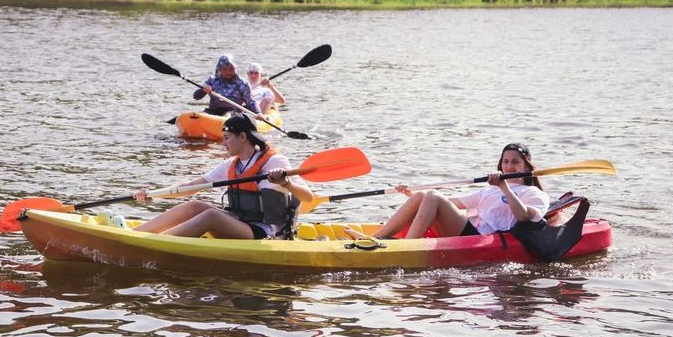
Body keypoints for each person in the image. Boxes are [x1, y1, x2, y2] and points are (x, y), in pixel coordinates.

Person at [133, 113, 313, 239]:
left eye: (227, 137)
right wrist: (153, 194)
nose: (223, 142)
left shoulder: (274, 161)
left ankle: (157, 242)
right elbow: (190, 187)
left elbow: (308, 197)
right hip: (240, 223)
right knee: (194, 206)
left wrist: (286, 183)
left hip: (266, 231)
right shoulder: (231, 165)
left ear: (242, 137)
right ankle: (137, 234)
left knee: (211, 215)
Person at [345, 143, 549, 240]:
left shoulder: (534, 194)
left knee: (433, 196)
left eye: (515, 162)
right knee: (425, 195)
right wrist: (411, 195)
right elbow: (452, 203)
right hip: (469, 230)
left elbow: (523, 216)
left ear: (526, 167)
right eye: (505, 162)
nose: (509, 166)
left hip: (484, 238)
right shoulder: (488, 191)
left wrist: (503, 186)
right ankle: (378, 238)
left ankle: (407, 246)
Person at [193, 55, 262, 117]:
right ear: (220, 69)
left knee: (227, 115)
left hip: (234, 112)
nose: (228, 72)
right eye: (225, 70)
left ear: (235, 68)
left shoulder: (242, 83)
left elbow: (251, 101)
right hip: (214, 110)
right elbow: (196, 97)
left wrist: (258, 113)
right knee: (199, 115)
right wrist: (203, 90)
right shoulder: (212, 80)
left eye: (231, 69)